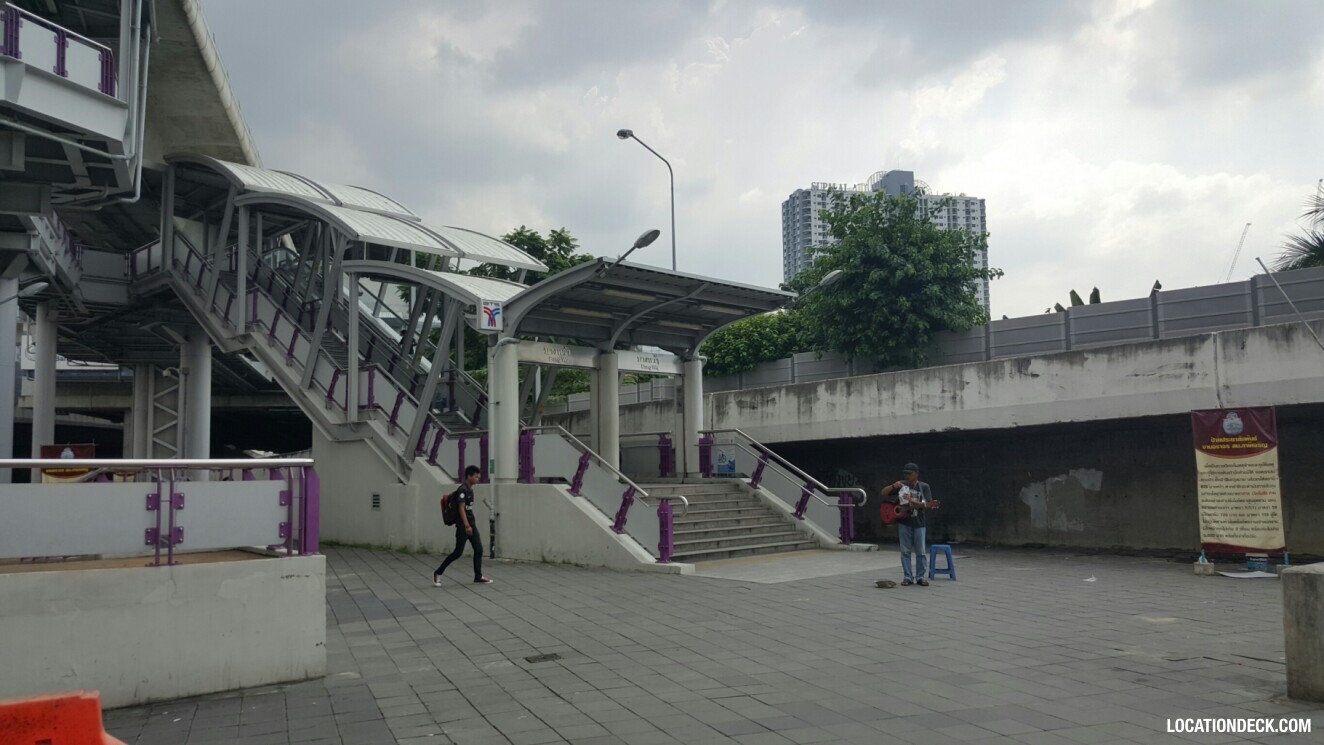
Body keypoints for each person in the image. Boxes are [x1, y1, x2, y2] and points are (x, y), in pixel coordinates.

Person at [434, 466, 493, 586]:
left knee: (479, 549)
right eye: (476, 476)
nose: (478, 478)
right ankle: (438, 573)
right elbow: (461, 509)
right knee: (457, 552)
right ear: (469, 476)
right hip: (464, 526)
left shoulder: (470, 490)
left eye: (478, 476)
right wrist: (466, 526)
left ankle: (478, 576)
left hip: (472, 525)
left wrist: (471, 525)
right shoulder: (462, 490)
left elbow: (468, 509)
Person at [880, 463, 936, 587]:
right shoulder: (901, 484)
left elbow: (928, 504)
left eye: (909, 474)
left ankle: (920, 577)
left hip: (919, 523)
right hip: (904, 523)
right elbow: (883, 492)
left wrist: (912, 500)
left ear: (916, 474)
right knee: (905, 551)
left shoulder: (924, 486)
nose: (907, 476)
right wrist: (893, 486)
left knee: (920, 552)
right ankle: (907, 577)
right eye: (905, 473)